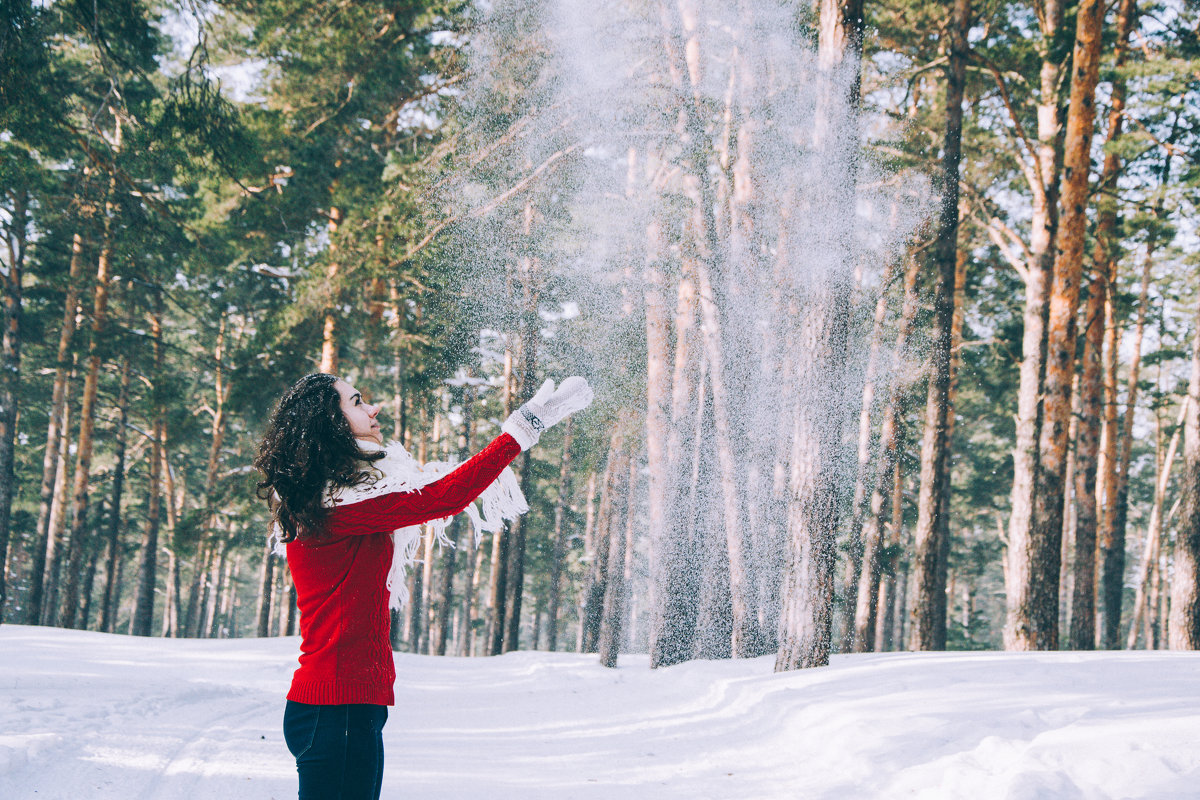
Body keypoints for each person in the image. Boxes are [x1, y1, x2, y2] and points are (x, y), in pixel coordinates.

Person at [254, 372, 593, 800]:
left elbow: (432, 488)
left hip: (343, 705)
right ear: (331, 423)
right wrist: (519, 432)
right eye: (357, 402)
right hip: (335, 708)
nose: (373, 408)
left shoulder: (342, 496)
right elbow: (441, 496)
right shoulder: (337, 504)